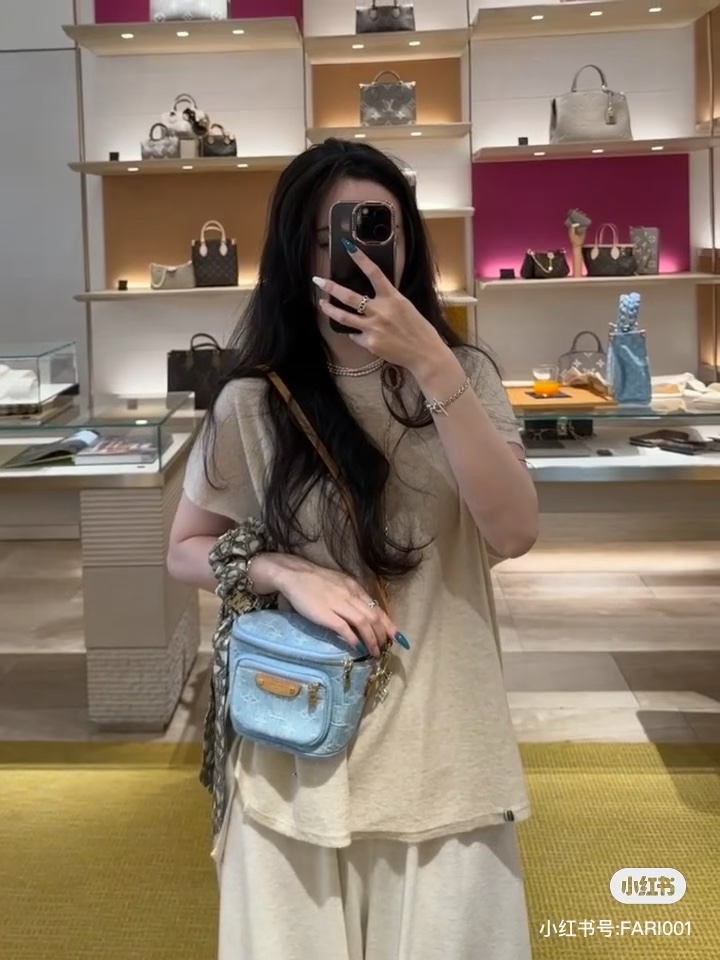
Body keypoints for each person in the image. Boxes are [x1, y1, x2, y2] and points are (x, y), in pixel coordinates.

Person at [167, 138, 539, 960]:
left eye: (378, 227)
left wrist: (432, 365)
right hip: (297, 756)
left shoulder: (465, 378)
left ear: (407, 244)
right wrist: (283, 571)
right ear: (296, 252)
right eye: (328, 235)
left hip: (447, 754)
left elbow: (513, 531)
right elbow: (186, 549)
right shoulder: (252, 400)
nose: (358, 253)